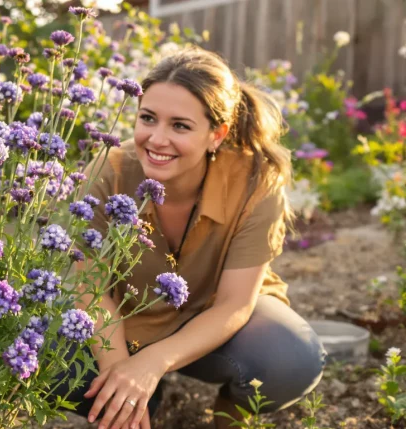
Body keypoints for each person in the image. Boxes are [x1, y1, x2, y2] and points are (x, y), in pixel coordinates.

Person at [51, 47, 326, 429]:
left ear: (217, 135)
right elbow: (89, 289)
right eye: (148, 118)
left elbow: (233, 306)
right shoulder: (110, 169)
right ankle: (148, 404)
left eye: (180, 126)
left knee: (290, 358)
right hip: (124, 324)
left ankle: (228, 419)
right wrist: (120, 378)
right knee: (44, 357)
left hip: (217, 322)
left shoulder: (255, 181)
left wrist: (153, 362)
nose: (157, 139)